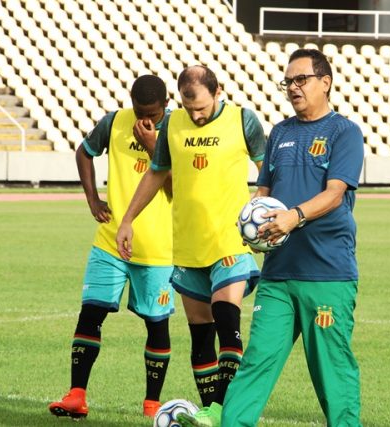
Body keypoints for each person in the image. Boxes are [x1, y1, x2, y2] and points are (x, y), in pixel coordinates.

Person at [219, 48, 365, 427]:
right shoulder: (280, 132)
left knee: (332, 370)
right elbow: (264, 192)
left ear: (325, 82)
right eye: (287, 82)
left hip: (326, 273)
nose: (293, 87)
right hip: (278, 274)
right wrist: (254, 225)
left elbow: (335, 194)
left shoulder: (345, 132)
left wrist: (293, 217)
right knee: (256, 361)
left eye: (301, 79)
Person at [115, 66, 266, 424]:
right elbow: (156, 173)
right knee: (200, 335)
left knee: (226, 318)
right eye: (188, 107)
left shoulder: (242, 120)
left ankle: (224, 410)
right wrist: (127, 220)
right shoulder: (172, 124)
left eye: (201, 107)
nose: (195, 115)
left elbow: (268, 171)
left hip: (229, 241)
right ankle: (210, 411)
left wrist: (263, 212)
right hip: (187, 244)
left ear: (217, 92)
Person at [49, 75, 174, 419]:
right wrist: (92, 199)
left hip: (160, 248)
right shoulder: (114, 121)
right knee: (91, 313)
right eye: (139, 111)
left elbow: (178, 187)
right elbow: (84, 152)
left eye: (152, 113)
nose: (144, 119)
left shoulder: (178, 129)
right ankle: (76, 395)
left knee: (157, 323)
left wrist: (152, 146)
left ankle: (152, 405)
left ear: (166, 105)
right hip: (110, 241)